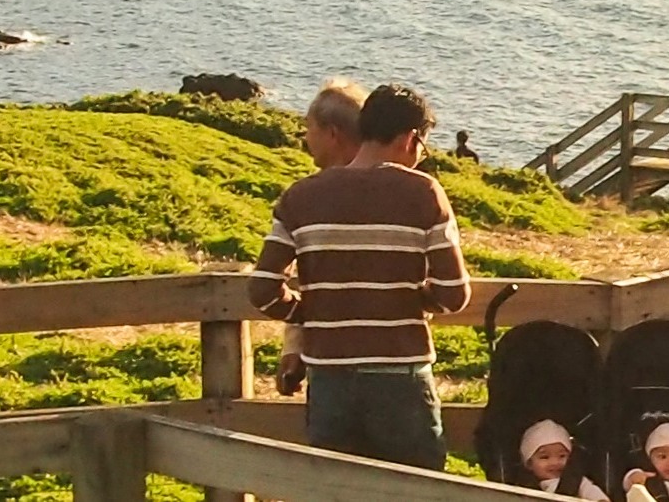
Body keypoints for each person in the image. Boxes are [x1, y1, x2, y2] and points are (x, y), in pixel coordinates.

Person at [248, 83, 471, 470]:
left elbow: (263, 290)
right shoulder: (424, 192)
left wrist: (312, 311)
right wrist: (414, 297)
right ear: (409, 138)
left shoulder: (299, 197)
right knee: (416, 492)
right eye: (423, 146)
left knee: (338, 490)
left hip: (330, 379)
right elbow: (454, 294)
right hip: (400, 375)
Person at [277, 78, 367, 395]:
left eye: (309, 127)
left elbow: (268, 286)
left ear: (332, 134)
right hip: (399, 362)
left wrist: (309, 321)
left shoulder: (303, 198)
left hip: (330, 364)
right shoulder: (408, 191)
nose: (305, 137)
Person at [522, 419, 610, 500]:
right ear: (529, 463)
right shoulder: (522, 488)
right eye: (545, 457)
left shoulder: (577, 481)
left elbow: (594, 494)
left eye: (562, 456)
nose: (555, 462)